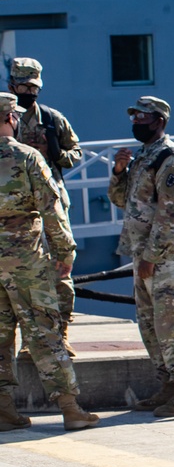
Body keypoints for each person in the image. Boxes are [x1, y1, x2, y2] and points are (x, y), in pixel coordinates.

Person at [0, 92, 98, 431]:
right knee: (44, 331)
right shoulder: (26, 157)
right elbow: (51, 209)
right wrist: (64, 254)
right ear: (11, 118)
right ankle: (70, 408)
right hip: (25, 259)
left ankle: (3, 410)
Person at [108, 96, 174, 418]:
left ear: (160, 121)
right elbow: (125, 201)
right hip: (144, 254)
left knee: (169, 323)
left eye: (142, 118)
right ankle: (168, 386)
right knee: (149, 324)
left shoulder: (170, 159)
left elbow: (172, 212)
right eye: (133, 117)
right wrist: (119, 172)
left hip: (166, 257)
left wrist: (151, 255)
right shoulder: (143, 157)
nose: (136, 123)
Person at [8, 58, 82, 356]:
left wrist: (56, 153)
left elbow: (75, 152)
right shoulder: (5, 118)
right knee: (20, 278)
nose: (30, 92)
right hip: (17, 211)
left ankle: (60, 334)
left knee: (60, 273)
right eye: (24, 86)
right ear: (12, 86)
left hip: (50, 206)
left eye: (34, 87)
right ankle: (26, 341)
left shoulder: (52, 119)